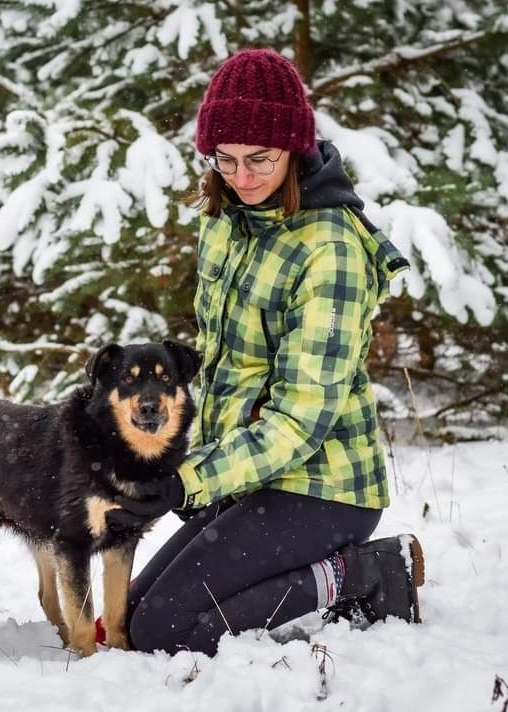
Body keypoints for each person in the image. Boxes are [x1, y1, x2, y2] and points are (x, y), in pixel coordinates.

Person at [105, 48, 425, 656]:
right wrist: (161, 459)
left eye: (259, 159)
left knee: (161, 631)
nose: (242, 177)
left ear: (295, 150)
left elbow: (300, 420)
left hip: (325, 489)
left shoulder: (330, 250)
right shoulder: (227, 221)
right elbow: (225, 364)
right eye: (224, 160)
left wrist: (187, 482)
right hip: (252, 477)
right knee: (133, 613)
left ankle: (364, 573)